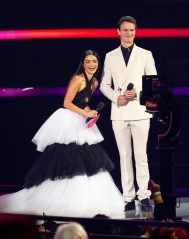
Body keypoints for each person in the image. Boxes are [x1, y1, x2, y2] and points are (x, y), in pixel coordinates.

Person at [0, 50, 125, 218]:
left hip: (81, 119)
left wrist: (91, 112)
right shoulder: (78, 79)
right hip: (69, 120)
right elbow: (67, 102)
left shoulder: (94, 82)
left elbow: (84, 102)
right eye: (88, 61)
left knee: (88, 158)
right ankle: (63, 197)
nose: (91, 64)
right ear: (83, 63)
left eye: (94, 61)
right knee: (69, 155)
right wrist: (84, 112)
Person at [100, 16, 157, 214]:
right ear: (118, 31)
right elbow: (104, 85)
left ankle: (144, 196)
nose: (128, 33)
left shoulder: (145, 54)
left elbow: (154, 84)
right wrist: (117, 97)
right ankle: (128, 197)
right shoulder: (110, 56)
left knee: (141, 156)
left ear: (135, 31)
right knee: (124, 156)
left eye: (132, 30)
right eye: (125, 30)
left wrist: (138, 94)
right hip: (119, 112)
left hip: (140, 112)